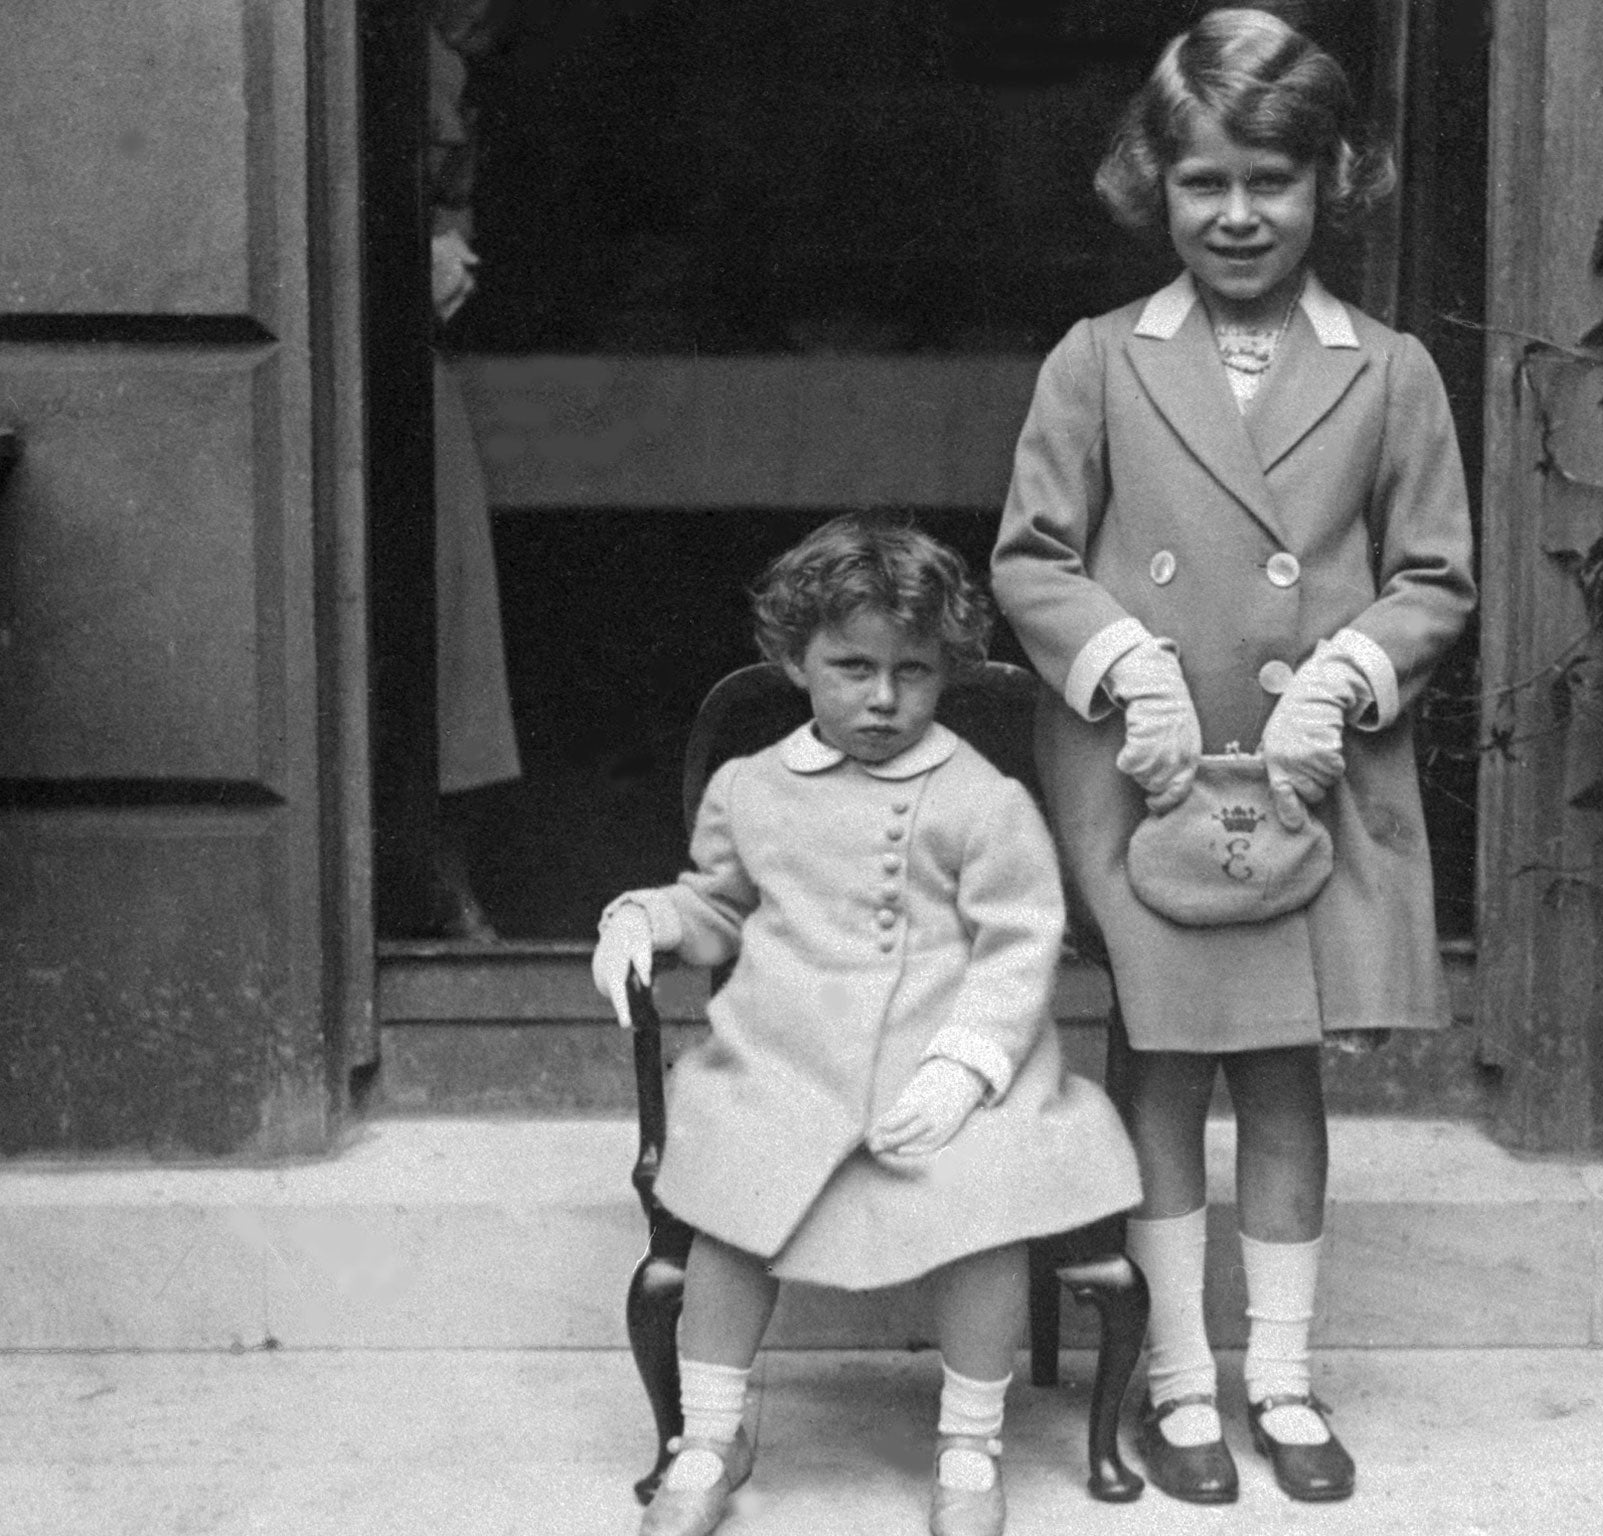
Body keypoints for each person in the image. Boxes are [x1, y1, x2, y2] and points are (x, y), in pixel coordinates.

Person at [990, 8, 1475, 1507]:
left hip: (1302, 774)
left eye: (1272, 178)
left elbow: (1437, 576)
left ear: (1333, 178)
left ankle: (1284, 1376)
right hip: (1152, 774)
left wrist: (1349, 671)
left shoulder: (1387, 370)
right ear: (1157, 182)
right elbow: (1029, 556)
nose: (1240, 214)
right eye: (1205, 183)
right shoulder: (1098, 360)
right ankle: (1178, 1384)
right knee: (1162, 1062)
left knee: (1281, 1075)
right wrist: (1119, 656)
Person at [591, 515, 1142, 1536]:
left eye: (913, 672)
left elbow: (1019, 944)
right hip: (787, 1054)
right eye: (850, 667)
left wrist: (962, 1071)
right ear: (795, 659)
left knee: (979, 1204)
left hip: (950, 1058)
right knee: (730, 1200)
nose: (882, 698)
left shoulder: (981, 799)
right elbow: (717, 907)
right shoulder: (750, 789)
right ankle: (709, 1435)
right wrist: (646, 917)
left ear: (946, 674)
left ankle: (970, 1444)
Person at [425, 0, 521, 938]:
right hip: (379, 374)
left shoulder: (453, 60)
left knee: (449, 631)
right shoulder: (414, 55)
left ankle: (447, 888)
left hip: (427, 372)